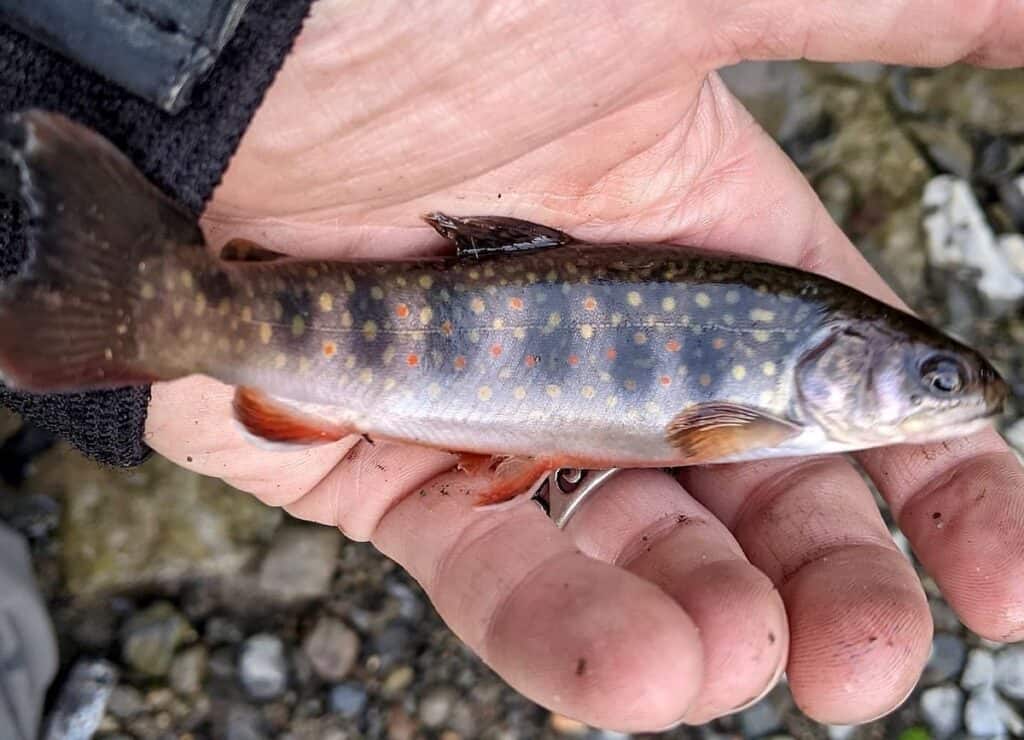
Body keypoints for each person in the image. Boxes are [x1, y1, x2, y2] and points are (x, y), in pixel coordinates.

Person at [3, 0, 1023, 733]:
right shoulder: (761, 407)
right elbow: (705, 431)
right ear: (844, 354)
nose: (948, 401)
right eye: (933, 380)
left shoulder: (784, 353)